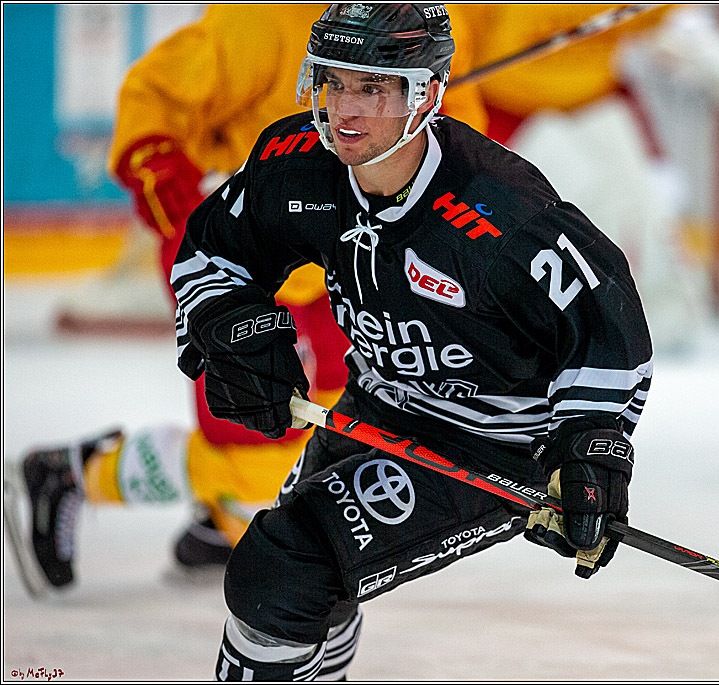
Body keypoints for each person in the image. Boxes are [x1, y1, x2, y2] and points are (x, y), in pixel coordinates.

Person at [169, 4, 653, 680]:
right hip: (374, 406)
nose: (346, 109)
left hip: (485, 442)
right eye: (336, 82)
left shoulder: (495, 211)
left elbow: (608, 325)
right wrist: (234, 328)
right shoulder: (303, 169)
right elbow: (211, 252)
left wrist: (591, 447)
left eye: (374, 88)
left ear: (426, 94)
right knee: (309, 591)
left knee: (275, 575)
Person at [2, 3, 489, 602]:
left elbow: (456, 138)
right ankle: (78, 475)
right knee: (260, 443)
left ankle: (222, 522)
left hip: (341, 252)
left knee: (348, 417)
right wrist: (170, 184)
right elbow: (153, 95)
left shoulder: (425, 21)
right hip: (244, 252)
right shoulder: (262, 22)